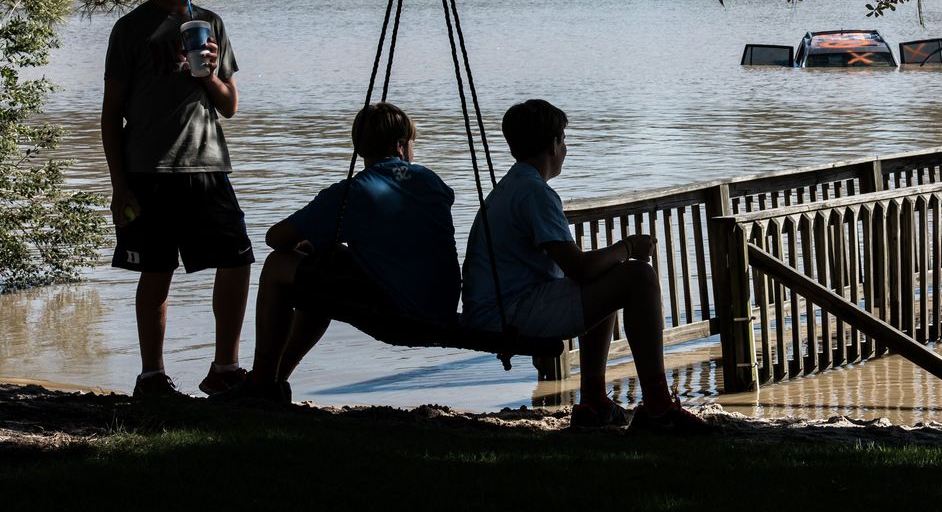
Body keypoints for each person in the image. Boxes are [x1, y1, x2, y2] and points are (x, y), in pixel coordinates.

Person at [462, 99, 709, 434]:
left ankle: (593, 401)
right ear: (553, 144)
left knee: (608, 276)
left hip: (497, 306)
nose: (565, 148)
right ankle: (657, 407)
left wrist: (612, 258)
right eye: (563, 139)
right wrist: (629, 248)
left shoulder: (513, 187)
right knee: (639, 277)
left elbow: (579, 267)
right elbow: (579, 268)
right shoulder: (534, 193)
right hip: (507, 314)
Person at [102, 0, 250, 398]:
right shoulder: (131, 30)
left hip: (207, 163)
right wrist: (119, 185)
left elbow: (229, 105)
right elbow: (110, 115)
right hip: (149, 169)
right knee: (156, 269)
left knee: (238, 260)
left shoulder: (212, 24)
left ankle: (225, 368)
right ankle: (152, 376)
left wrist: (207, 74)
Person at [231, 103, 459, 403]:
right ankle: (276, 379)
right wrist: (321, 243)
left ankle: (261, 383)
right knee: (325, 260)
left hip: (401, 318)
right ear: (401, 146)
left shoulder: (353, 192)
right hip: (440, 307)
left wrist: (313, 240)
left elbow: (275, 239)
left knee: (278, 266)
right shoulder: (432, 182)